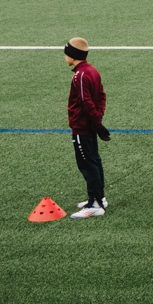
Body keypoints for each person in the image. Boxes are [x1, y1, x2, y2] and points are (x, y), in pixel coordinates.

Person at [65, 38, 110, 218]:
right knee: (94, 161)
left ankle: (95, 204)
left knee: (87, 164)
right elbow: (101, 96)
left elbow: (86, 102)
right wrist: (98, 119)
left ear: (73, 55)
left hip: (83, 127)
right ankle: (98, 197)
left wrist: (97, 124)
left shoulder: (80, 76)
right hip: (90, 124)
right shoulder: (92, 71)